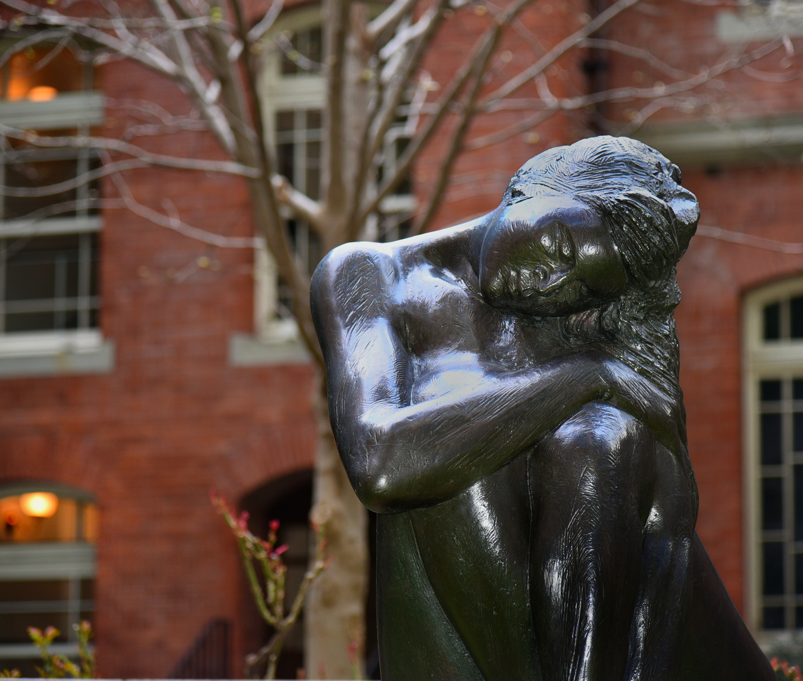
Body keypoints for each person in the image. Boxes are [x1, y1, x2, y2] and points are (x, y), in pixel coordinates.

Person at [311, 137, 774, 680]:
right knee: (455, 457)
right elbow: (383, 464)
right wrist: (589, 375)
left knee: (605, 435)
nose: (548, 282)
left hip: (620, 640)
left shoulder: (576, 328)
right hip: (450, 646)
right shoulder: (373, 275)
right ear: (528, 188)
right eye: (560, 244)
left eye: (578, 288)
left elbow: (667, 521)